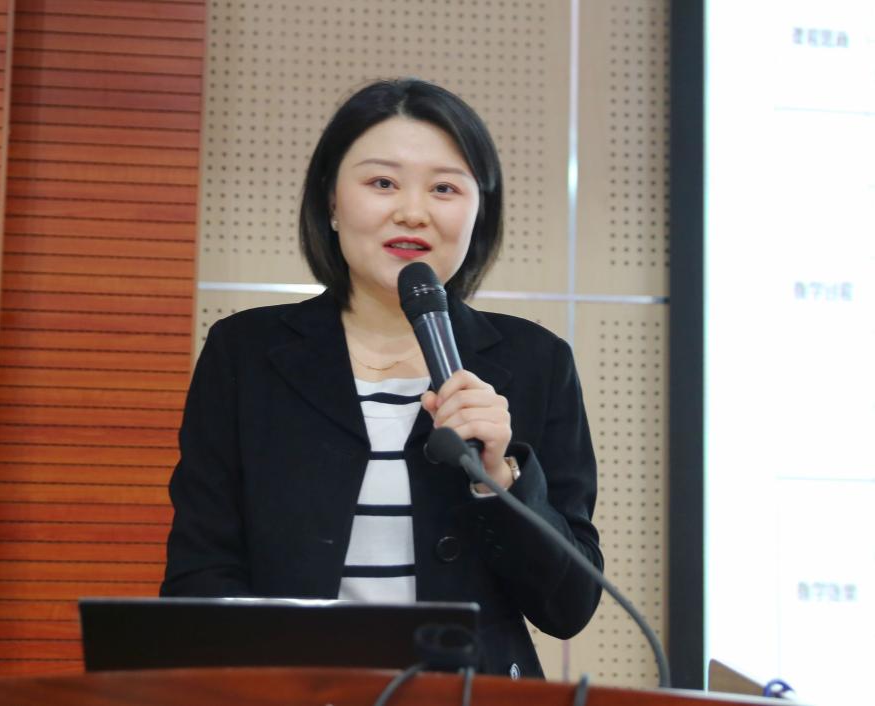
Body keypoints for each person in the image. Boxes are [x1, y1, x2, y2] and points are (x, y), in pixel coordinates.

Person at [161, 78, 603, 678]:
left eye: (444, 188)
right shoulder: (245, 353)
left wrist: (499, 478)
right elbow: (201, 574)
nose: (413, 212)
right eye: (382, 183)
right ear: (331, 202)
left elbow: (569, 606)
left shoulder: (534, 362)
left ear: (479, 211)